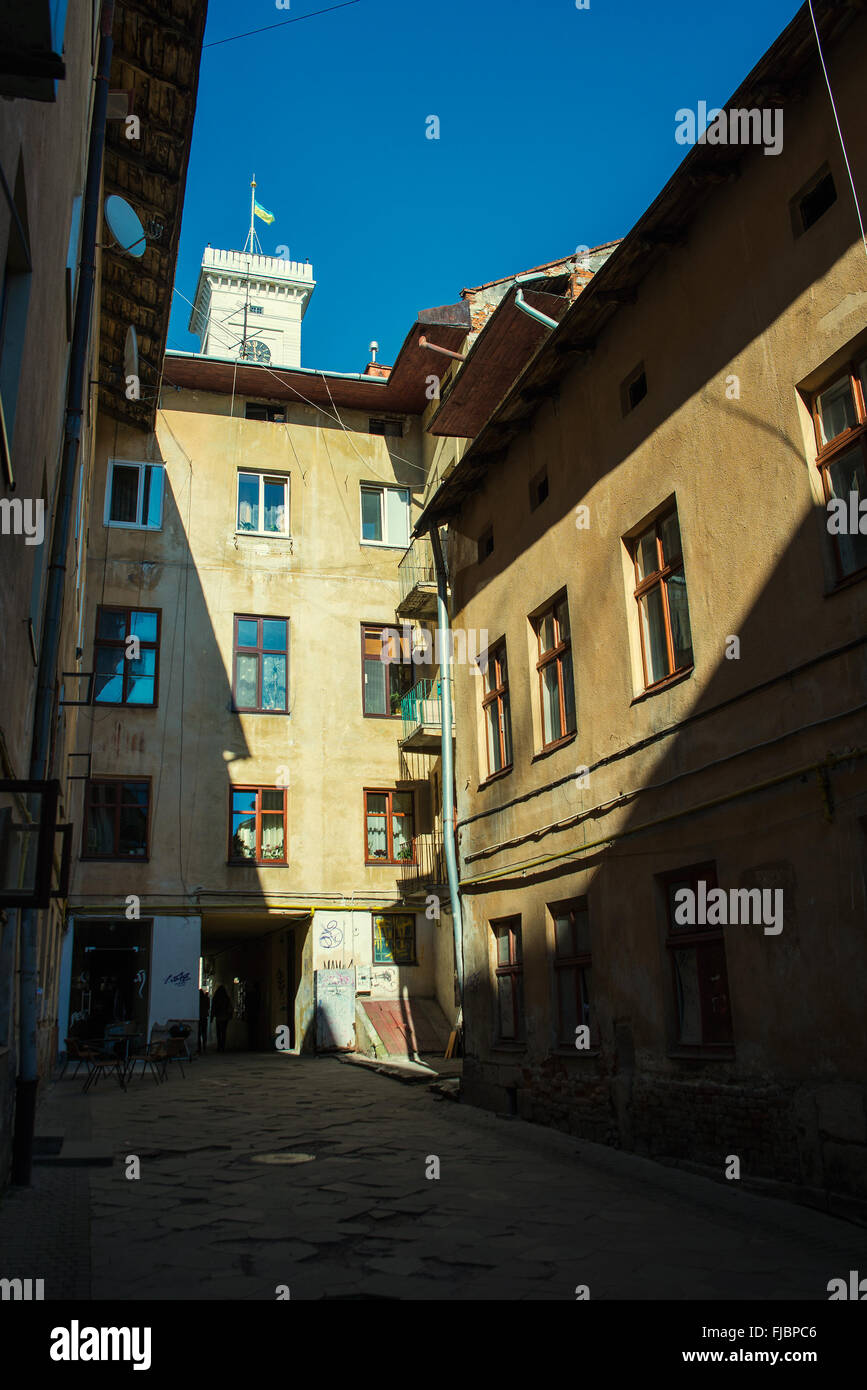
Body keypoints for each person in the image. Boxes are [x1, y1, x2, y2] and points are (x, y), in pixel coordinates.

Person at [211, 985, 233, 1054]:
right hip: (225, 1017)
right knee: (223, 1032)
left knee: (218, 1032)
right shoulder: (226, 998)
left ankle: (219, 1046)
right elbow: (230, 1007)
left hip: (219, 1017)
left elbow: (213, 1008)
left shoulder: (216, 998)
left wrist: (212, 1017)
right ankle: (223, 1047)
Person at [198, 988, 210, 1053]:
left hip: (199, 1017)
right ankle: (204, 1046)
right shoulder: (206, 998)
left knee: (199, 1033)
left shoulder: (197, 999)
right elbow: (208, 1007)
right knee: (204, 1032)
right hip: (204, 1017)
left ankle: (199, 1047)